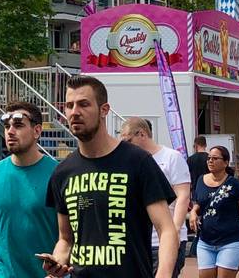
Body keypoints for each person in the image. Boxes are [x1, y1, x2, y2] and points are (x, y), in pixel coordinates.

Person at [40, 75, 178, 278]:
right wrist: (57, 262)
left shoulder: (137, 161)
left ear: (104, 110)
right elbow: (65, 239)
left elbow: (166, 230)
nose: (75, 112)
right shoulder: (63, 172)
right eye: (69, 105)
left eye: (84, 104)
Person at [0, 101, 59, 278]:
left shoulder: (58, 175)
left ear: (37, 131)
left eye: (18, 125)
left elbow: (68, 238)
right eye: (7, 126)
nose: (10, 131)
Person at [118, 117, 191, 277]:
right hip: (139, 240)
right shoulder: (130, 162)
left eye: (128, 140)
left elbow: (183, 195)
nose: (126, 145)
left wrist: (176, 230)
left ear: (142, 134)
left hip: (164, 239)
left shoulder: (171, 157)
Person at [187, 145, 239, 278]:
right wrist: (193, 213)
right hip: (205, 242)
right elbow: (198, 203)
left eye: (215, 158)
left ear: (226, 162)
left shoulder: (234, 184)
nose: (210, 161)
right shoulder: (201, 180)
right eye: (209, 158)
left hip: (230, 242)